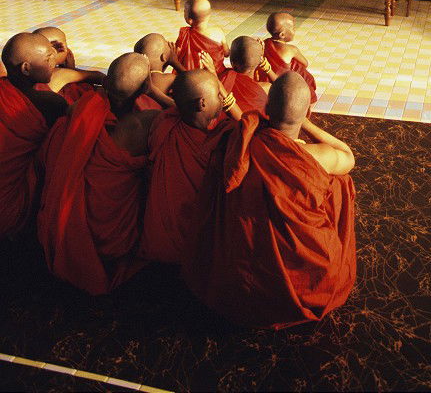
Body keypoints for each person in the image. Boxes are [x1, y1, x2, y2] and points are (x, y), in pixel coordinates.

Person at [184, 71, 356, 327]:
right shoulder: (317, 156)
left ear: (266, 108)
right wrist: (304, 122)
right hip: (304, 283)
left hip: (237, 275)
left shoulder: (240, 140)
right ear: (307, 111)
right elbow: (348, 155)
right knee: (341, 182)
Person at [37, 52, 156, 295]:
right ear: (145, 86)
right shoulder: (143, 124)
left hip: (72, 221)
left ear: (108, 80)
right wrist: (155, 92)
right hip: (115, 237)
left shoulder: (82, 107)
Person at [140, 69, 240, 264]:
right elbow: (249, 129)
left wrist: (153, 92)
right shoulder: (222, 139)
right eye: (219, 95)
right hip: (194, 252)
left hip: (155, 246)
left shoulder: (164, 123)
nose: (222, 100)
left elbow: (179, 107)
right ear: (202, 103)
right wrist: (230, 104)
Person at [0, 33, 67, 238]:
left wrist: (52, 54)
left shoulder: (5, 88)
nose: (53, 61)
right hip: (10, 206)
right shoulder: (50, 104)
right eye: (48, 58)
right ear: (26, 68)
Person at [33, 25, 104, 102]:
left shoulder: (33, 72)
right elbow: (99, 77)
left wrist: (70, 69)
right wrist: (72, 69)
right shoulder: (60, 74)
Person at [261, 12, 317, 104]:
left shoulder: (264, 44)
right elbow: (305, 63)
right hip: (285, 83)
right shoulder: (292, 50)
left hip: (267, 80)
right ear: (282, 35)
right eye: (293, 28)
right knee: (298, 67)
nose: (295, 30)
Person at [175, 0, 229, 77]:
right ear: (209, 15)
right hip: (217, 75)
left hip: (193, 77)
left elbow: (177, 54)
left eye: (184, 12)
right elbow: (227, 53)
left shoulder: (184, 34)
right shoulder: (218, 32)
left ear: (190, 20)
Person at [220, 36, 271, 114]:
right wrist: (260, 55)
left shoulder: (224, 79)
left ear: (232, 63)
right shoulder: (267, 88)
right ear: (259, 62)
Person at [133, 32, 184, 109]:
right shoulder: (170, 78)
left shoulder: (135, 80)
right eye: (166, 42)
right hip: (160, 118)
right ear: (164, 57)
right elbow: (193, 83)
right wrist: (175, 63)